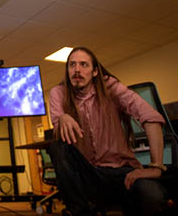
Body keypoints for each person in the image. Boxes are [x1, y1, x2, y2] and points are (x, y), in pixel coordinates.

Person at [47, 47, 169, 216]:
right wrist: (62, 117)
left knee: (153, 195)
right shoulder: (58, 93)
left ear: (95, 71)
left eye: (84, 65)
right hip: (90, 175)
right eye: (72, 65)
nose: (77, 70)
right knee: (57, 147)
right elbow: (59, 130)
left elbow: (151, 117)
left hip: (123, 172)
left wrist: (156, 167)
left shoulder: (111, 87)